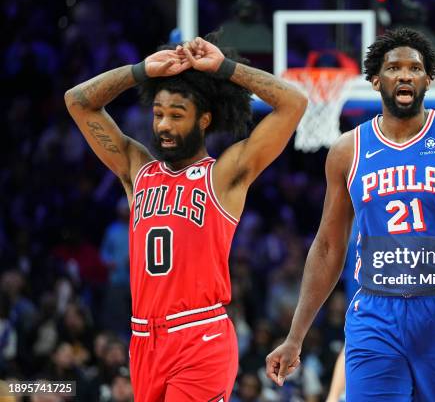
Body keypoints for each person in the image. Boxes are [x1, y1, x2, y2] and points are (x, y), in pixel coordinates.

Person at [266, 28, 435, 401]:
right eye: (394, 67)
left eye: (415, 68)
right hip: (375, 313)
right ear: (376, 79)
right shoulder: (348, 150)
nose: (405, 75)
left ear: (428, 79)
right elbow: (329, 246)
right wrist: (295, 337)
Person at [65, 32, 307, 401]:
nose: (163, 125)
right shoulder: (137, 170)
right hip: (144, 339)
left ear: (204, 119)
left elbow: (294, 102)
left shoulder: (224, 175)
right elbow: (78, 102)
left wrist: (224, 68)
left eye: (177, 115)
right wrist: (140, 71)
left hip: (200, 335)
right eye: (158, 114)